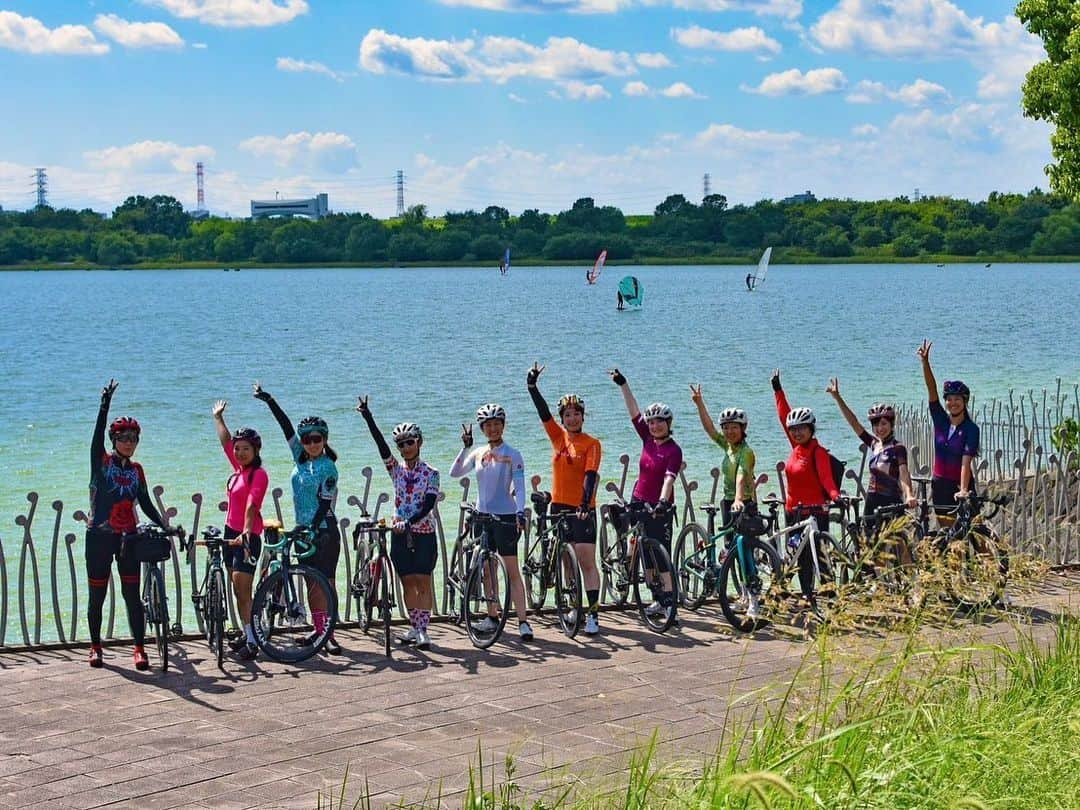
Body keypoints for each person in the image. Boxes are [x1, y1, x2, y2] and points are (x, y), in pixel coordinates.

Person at [254, 384, 342, 654]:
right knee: (310, 582)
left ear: (325, 440)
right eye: (307, 440)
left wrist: (312, 529)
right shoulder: (299, 458)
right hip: (303, 529)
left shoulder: (329, 467)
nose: (312, 443)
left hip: (324, 529)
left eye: (317, 439)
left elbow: (325, 503)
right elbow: (286, 427)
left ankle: (329, 633)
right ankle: (318, 630)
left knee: (326, 582)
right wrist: (270, 400)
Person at [86, 379, 168, 670]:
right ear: (113, 440)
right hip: (99, 536)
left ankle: (139, 648)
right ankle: (96, 646)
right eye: (123, 437)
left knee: (132, 595)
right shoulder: (101, 463)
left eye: (134, 438)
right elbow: (95, 438)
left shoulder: (137, 471)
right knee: (97, 594)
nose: (129, 442)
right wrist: (104, 405)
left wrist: (166, 526)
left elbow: (145, 503)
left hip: (129, 539)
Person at [357, 396, 441, 650]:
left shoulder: (431, 472)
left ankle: (423, 629)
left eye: (410, 442)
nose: (406, 447)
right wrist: (367, 415)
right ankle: (415, 627)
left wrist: (409, 521)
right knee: (407, 581)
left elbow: (428, 504)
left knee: (423, 581)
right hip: (399, 533)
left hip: (423, 532)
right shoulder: (396, 469)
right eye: (402, 444)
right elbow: (381, 446)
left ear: (420, 443)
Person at [526, 363, 603, 635]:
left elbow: (591, 475)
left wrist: (584, 504)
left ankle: (593, 615)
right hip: (558, 507)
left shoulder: (591, 443)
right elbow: (543, 413)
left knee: (586, 562)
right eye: (567, 415)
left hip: (582, 508)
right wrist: (532, 387)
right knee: (566, 561)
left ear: (583, 417)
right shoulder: (558, 438)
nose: (571, 419)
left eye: (576, 414)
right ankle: (573, 605)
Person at [449, 403, 533, 641]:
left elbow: (520, 486)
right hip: (482, 517)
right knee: (487, 570)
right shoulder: (477, 453)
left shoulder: (513, 454)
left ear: (503, 426)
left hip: (505, 517)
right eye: (488, 425)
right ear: (482, 428)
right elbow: (454, 473)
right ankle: (492, 616)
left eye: (497, 424)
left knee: (512, 571)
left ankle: (523, 621)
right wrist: (465, 448)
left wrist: (519, 512)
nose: (493, 429)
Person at [610, 367, 681, 617]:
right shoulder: (647, 440)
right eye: (651, 422)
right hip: (639, 498)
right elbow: (633, 412)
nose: (654, 425)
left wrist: (663, 501)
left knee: (660, 556)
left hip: (660, 506)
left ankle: (670, 602)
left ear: (668, 423)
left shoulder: (674, 450)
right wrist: (623, 384)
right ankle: (654, 596)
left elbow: (669, 478)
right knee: (642, 552)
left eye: (659, 421)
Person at [772, 369, 841, 601]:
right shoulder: (796, 447)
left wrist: (836, 496)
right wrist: (777, 389)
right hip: (794, 512)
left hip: (816, 512)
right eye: (794, 430)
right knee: (798, 557)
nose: (797, 432)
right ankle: (804, 595)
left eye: (802, 428)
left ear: (811, 429)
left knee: (820, 555)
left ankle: (829, 596)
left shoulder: (817, 452)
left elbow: (826, 479)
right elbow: (784, 416)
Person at [212, 400, 269, 661]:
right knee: (236, 589)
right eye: (238, 449)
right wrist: (218, 418)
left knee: (243, 592)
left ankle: (252, 640)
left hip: (248, 537)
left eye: (246, 449)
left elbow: (252, 505)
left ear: (256, 450)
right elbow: (225, 442)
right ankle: (247, 634)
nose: (240, 452)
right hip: (229, 533)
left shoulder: (258, 474)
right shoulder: (238, 470)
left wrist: (246, 533)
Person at [825, 379, 916, 515]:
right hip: (872, 501)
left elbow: (903, 473)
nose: (880, 428)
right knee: (866, 536)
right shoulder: (874, 444)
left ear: (891, 425)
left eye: (884, 423)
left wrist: (909, 494)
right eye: (876, 425)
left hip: (891, 502)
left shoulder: (898, 448)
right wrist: (837, 397)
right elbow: (854, 423)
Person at [916, 340, 980, 513]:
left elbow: (966, 461)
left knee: (967, 534)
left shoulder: (971, 429)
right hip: (939, 485)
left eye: (957, 399)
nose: (953, 403)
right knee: (944, 532)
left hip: (959, 485)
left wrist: (964, 489)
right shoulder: (940, 420)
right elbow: (932, 389)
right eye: (949, 399)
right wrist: (925, 362)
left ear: (965, 402)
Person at [689, 384, 757, 527]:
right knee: (729, 545)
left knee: (745, 545)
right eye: (725, 428)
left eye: (734, 427)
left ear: (742, 428)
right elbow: (710, 429)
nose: (729, 432)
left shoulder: (746, 452)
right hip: (728, 501)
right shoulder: (728, 446)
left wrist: (738, 499)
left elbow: (741, 475)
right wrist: (699, 404)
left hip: (743, 502)